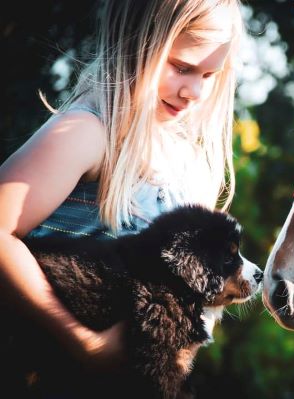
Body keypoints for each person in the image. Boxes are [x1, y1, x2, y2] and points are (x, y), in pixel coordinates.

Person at [0, 0, 244, 388]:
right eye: (181, 67)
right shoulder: (86, 134)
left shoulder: (193, 164)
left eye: (209, 74)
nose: (194, 91)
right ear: (135, 44)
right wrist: (85, 343)